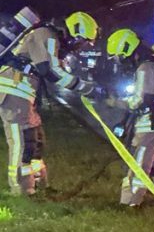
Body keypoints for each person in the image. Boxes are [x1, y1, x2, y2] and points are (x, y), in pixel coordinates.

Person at [0, 10, 98, 195]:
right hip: (13, 91)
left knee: (35, 139)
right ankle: (21, 190)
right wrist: (88, 88)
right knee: (21, 140)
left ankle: (38, 185)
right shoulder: (47, 35)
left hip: (22, 92)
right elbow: (51, 72)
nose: (79, 47)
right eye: (81, 42)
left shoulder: (49, 37)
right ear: (74, 33)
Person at [106, 30, 154, 206]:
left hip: (150, 124)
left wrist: (115, 102)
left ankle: (131, 203)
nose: (120, 61)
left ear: (126, 50)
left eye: (119, 57)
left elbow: (139, 100)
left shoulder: (145, 67)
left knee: (139, 165)